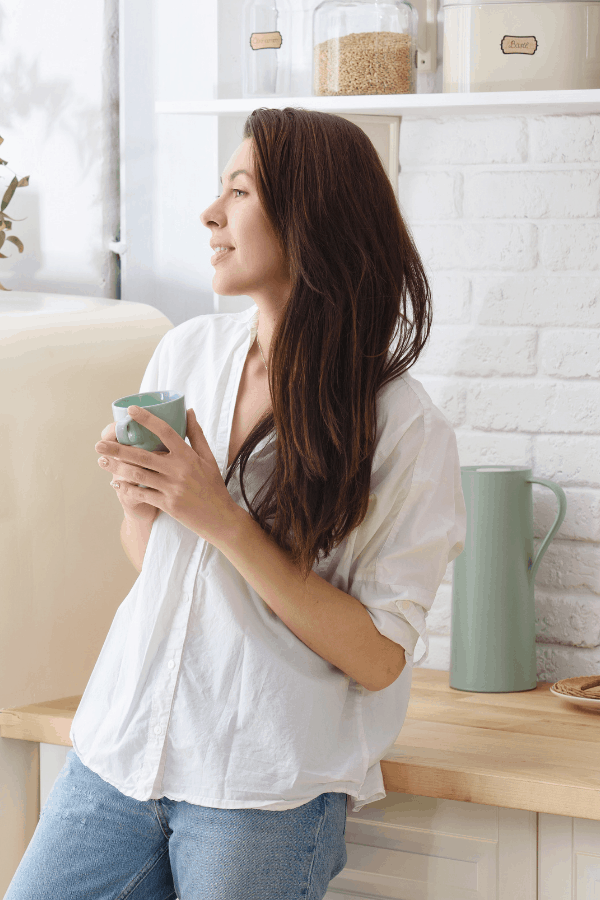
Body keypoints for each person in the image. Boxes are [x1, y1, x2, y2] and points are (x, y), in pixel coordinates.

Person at [5, 108, 466, 900]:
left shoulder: (402, 426)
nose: (210, 213)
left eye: (240, 191)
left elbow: (379, 654)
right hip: (120, 751)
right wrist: (146, 509)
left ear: (310, 219)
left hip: (260, 788)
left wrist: (218, 513)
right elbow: (172, 576)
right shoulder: (186, 351)